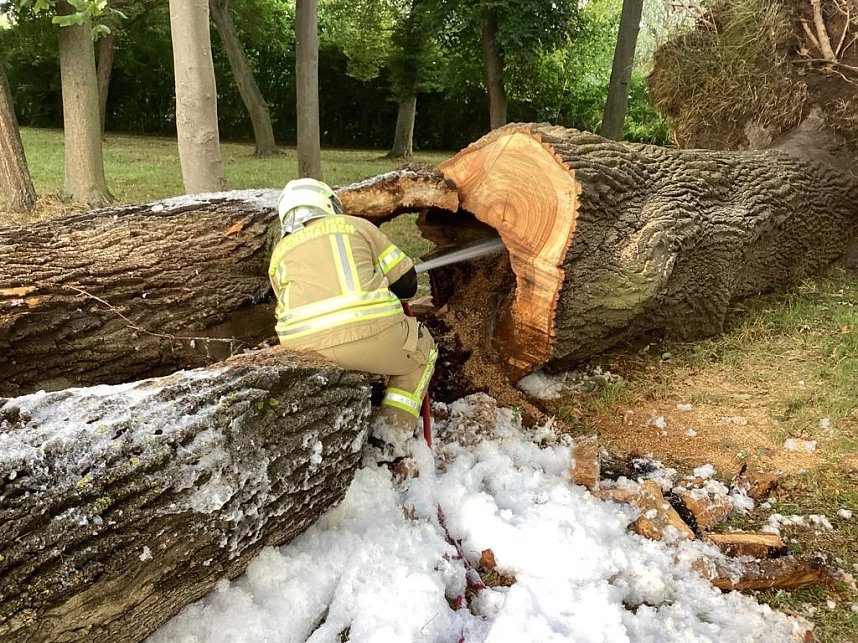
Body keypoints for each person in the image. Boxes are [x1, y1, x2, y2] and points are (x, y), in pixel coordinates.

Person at [268, 178, 437, 459]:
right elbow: (407, 285)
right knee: (422, 351)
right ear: (328, 204)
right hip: (371, 338)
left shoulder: (279, 254)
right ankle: (390, 438)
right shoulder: (355, 226)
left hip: (303, 352)